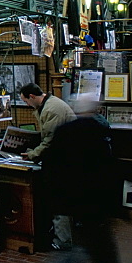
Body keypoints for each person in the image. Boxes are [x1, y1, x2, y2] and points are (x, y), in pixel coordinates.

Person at [35, 97, 132, 263]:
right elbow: (108, 164)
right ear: (95, 109)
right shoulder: (95, 131)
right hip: (93, 203)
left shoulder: (64, 132)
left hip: (72, 202)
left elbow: (51, 164)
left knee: (94, 249)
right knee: (92, 251)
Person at [20, 83, 77, 250]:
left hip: (64, 162)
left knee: (60, 201)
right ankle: (61, 236)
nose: (27, 105)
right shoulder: (50, 105)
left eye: (26, 101)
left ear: (32, 96)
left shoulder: (52, 110)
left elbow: (50, 140)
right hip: (63, 159)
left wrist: (32, 154)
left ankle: (63, 241)